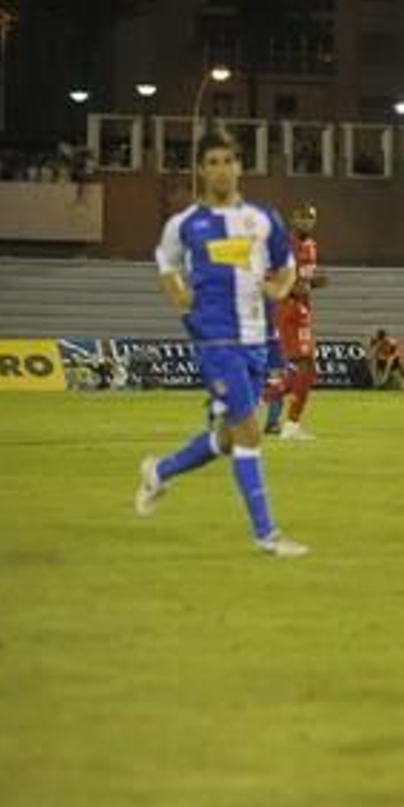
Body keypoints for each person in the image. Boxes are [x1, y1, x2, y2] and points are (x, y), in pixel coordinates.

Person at [133, 129, 308, 557]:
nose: (221, 170)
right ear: (201, 170)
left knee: (229, 438)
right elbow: (166, 264)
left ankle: (159, 472)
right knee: (250, 433)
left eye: (228, 161)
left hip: (257, 340)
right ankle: (266, 535)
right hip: (216, 341)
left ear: (239, 167)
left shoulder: (264, 219)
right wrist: (180, 298)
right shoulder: (185, 224)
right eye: (212, 162)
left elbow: (286, 264)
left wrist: (279, 288)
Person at [262, 204, 327, 439]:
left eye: (311, 218)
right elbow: (269, 276)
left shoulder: (311, 245)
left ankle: (252, 403)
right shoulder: (285, 245)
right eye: (302, 218)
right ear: (294, 220)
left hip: (302, 308)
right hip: (289, 307)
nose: (307, 222)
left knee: (303, 372)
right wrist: (296, 287)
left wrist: (313, 282)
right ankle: (291, 425)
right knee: (306, 367)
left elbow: (303, 279)